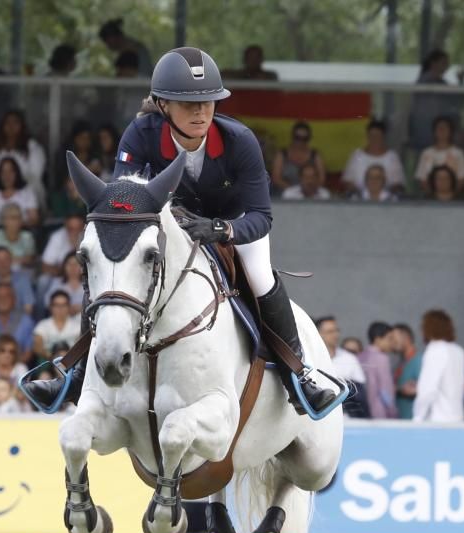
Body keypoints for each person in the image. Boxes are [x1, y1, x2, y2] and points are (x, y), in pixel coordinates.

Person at [28, 47, 339, 414]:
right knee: (114, 273)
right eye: (187, 103)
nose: (201, 111)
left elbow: (261, 216)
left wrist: (220, 229)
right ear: (162, 105)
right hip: (167, 225)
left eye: (208, 102)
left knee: (260, 276)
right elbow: (123, 204)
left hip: (232, 225)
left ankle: (298, 375)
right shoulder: (140, 135)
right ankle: (75, 374)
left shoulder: (241, 141)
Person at [412, 309, 464, 422]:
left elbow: (427, 389)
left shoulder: (435, 349)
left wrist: (417, 417)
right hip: (457, 417)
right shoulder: (459, 351)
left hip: (438, 420)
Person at [0, 110, 47, 195]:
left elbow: (35, 178)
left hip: (27, 193)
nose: (11, 126)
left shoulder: (33, 147)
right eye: (7, 122)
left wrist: (14, 191)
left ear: (22, 126)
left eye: (15, 123)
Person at [341, 119, 405, 195]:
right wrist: (362, 195)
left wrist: (383, 195)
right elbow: (348, 181)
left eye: (378, 136)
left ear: (383, 136)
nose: (374, 139)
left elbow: (398, 185)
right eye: (371, 136)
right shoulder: (357, 155)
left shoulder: (392, 157)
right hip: (359, 200)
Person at [415, 116, 464, 196]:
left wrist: (451, 196)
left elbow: (462, 179)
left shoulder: (458, 154)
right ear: (434, 131)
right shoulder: (426, 153)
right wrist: (433, 196)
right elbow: (422, 179)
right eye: (439, 128)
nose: (442, 131)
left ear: (451, 132)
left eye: (445, 128)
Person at [272, 121, 326, 194]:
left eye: (304, 138)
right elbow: (276, 179)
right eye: (297, 137)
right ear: (292, 136)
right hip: (284, 196)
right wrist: (295, 192)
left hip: (310, 196)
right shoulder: (282, 154)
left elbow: (321, 179)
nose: (300, 141)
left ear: (309, 138)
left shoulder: (315, 155)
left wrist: (309, 191)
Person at [0, 247, 35, 314]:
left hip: (18, 319)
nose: (2, 264)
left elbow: (28, 309)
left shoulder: (23, 280)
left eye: (6, 259)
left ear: (11, 261)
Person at [0, 157, 39, 225]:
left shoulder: (27, 191)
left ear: (16, 173)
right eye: (3, 172)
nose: (7, 175)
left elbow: (34, 219)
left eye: (10, 171)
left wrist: (14, 226)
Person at [359, 322, 397, 419]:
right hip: (380, 412)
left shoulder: (360, 356)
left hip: (362, 410)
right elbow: (385, 390)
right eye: (390, 338)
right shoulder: (382, 358)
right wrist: (393, 412)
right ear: (378, 339)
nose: (392, 343)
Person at [0, 203, 36, 268]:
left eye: (19, 217)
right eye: (12, 218)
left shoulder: (27, 237)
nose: (16, 221)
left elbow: (29, 260)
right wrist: (19, 259)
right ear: (3, 220)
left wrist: (4, 260)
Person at [33, 291, 80, 361]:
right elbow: (37, 347)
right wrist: (53, 357)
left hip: (71, 361)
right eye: (56, 305)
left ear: (69, 306)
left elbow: (79, 347)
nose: (60, 309)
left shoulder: (77, 326)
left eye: (64, 305)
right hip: (48, 361)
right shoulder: (42, 325)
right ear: (50, 307)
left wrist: (65, 357)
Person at [392, 323, 422, 420]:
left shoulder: (418, 360)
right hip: (401, 418)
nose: (392, 342)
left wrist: (398, 390)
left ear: (406, 338)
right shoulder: (402, 361)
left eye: (394, 339)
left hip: (412, 419)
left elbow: (423, 389)